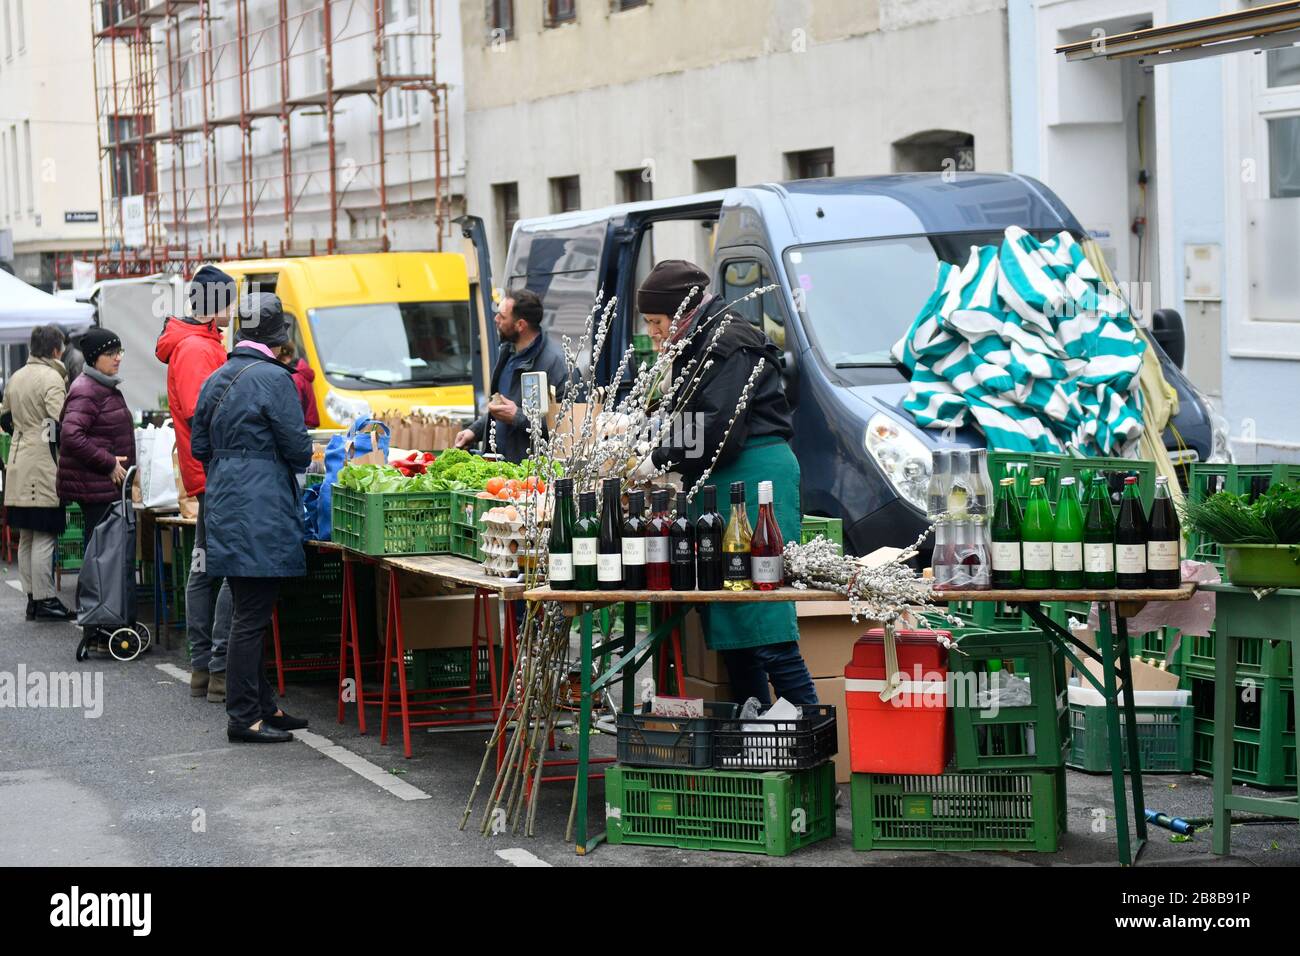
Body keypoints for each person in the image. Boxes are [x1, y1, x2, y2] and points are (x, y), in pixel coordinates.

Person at [632, 259, 816, 708]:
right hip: (724, 478)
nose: (654, 332)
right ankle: (754, 725)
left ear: (680, 310)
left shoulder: (726, 340)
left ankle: (810, 723)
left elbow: (718, 426)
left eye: (656, 322)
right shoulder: (699, 339)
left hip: (754, 476)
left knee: (760, 607)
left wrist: (658, 456)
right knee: (731, 609)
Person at [190, 292, 313, 744]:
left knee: (248, 610)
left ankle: (263, 706)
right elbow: (299, 451)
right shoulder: (274, 380)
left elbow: (199, 446)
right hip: (261, 507)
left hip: (224, 501)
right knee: (251, 617)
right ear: (275, 336)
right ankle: (243, 717)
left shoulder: (217, 377)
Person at [156, 265, 236, 702]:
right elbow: (199, 411)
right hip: (214, 474)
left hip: (207, 473)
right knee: (219, 570)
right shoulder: (195, 348)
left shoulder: (202, 343)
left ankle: (205, 669)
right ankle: (215, 668)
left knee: (206, 568)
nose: (233, 309)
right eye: (228, 300)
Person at [56, 328, 136, 656]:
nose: (118, 357)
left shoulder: (100, 386)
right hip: (98, 489)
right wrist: (107, 463)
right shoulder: (87, 390)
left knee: (105, 559)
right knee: (100, 560)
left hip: (107, 489)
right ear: (94, 358)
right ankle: (98, 625)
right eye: (111, 352)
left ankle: (104, 625)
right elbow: (71, 435)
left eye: (119, 351)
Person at [1, 325, 74, 621]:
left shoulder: (16, 376)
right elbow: (63, 423)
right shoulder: (52, 378)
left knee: (27, 534)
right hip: (42, 463)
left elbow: (5, 417)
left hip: (18, 461)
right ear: (56, 350)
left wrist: (24, 430)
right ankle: (45, 599)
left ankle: (32, 598)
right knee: (45, 532)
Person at [454, 289, 568, 463]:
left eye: (502, 316)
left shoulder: (557, 364)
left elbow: (565, 428)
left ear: (520, 325)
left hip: (529, 475)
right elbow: (501, 408)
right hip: (499, 469)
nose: (496, 319)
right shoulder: (508, 352)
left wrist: (518, 417)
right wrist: (474, 430)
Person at [276, 341, 320, 428]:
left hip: (300, 426)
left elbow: (293, 410)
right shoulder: (300, 371)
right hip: (307, 424)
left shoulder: (293, 377)